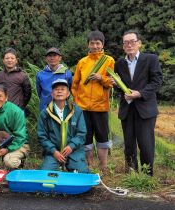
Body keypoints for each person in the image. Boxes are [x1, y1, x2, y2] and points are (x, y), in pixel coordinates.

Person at [114, 30, 163, 176]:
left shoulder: (151, 59)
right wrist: (115, 84)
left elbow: (157, 81)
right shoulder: (119, 64)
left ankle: (147, 175)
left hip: (145, 108)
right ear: (123, 46)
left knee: (146, 144)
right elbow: (120, 88)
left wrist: (140, 93)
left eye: (132, 41)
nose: (129, 45)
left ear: (139, 43)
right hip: (127, 108)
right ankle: (131, 174)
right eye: (126, 43)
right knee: (129, 144)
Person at [71, 30, 115, 171]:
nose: (95, 46)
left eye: (98, 43)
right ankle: (90, 164)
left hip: (100, 106)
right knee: (86, 137)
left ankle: (103, 166)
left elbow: (112, 82)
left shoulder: (109, 60)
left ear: (103, 44)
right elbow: (75, 84)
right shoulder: (82, 62)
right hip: (83, 107)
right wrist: (77, 102)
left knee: (102, 137)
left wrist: (101, 78)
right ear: (88, 45)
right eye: (92, 43)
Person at [37, 79, 89, 172]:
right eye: (56, 89)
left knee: (82, 173)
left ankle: (72, 165)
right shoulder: (45, 113)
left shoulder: (76, 110)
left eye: (62, 89)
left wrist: (71, 146)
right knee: (46, 174)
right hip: (53, 152)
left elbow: (81, 133)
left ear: (68, 93)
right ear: (52, 94)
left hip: (74, 151)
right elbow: (42, 136)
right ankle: (55, 164)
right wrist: (53, 151)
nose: (59, 91)